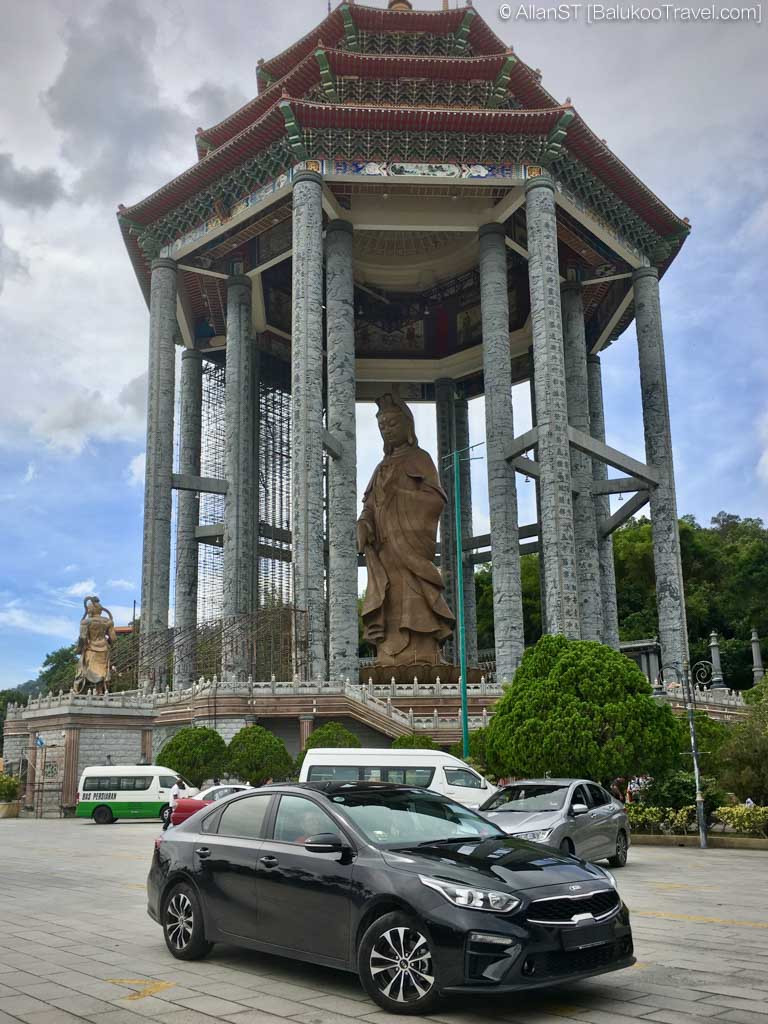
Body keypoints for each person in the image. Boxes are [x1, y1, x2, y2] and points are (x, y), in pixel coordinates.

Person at [357, 393, 454, 668]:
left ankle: (424, 655)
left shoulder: (420, 459)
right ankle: (389, 656)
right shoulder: (380, 467)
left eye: (392, 423)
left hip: (411, 546)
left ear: (407, 426)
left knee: (416, 595)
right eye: (382, 425)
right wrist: (364, 524)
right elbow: (370, 506)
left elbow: (436, 500)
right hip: (386, 550)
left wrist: (398, 495)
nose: (386, 429)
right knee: (388, 597)